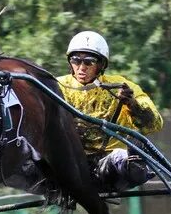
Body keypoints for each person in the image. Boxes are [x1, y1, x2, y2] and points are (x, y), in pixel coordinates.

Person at [58, 31, 163, 191]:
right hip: (70, 166)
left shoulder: (121, 86)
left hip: (109, 169)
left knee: (120, 157)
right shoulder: (57, 86)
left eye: (89, 62)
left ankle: (135, 164)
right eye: (76, 60)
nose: (81, 67)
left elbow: (155, 124)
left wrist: (132, 104)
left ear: (101, 65)